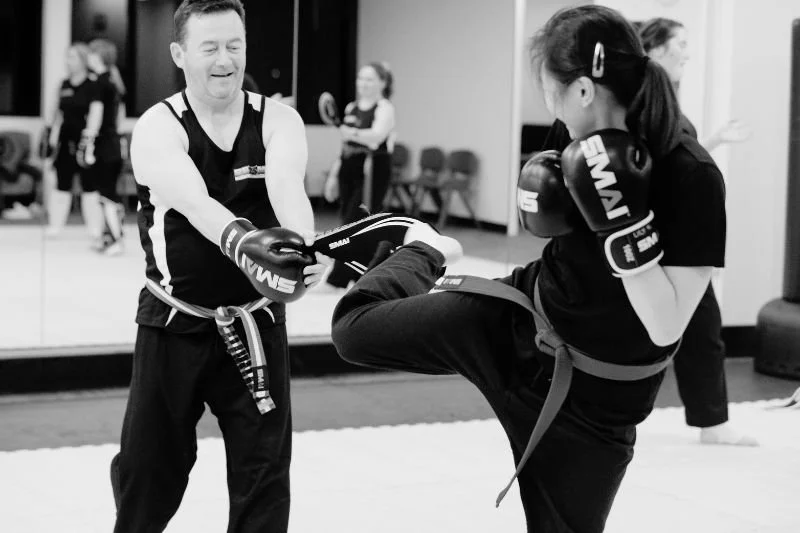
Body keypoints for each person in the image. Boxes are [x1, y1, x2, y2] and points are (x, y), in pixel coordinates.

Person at [331, 5, 726, 532]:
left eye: (550, 91)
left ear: (583, 90)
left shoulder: (692, 175)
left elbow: (667, 325)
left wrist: (620, 221)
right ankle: (426, 246)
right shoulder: (571, 140)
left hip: (594, 401)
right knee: (353, 330)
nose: (553, 110)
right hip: (519, 323)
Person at [108, 1, 326, 531]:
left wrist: (303, 245)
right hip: (173, 325)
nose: (224, 60)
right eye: (210, 48)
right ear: (180, 53)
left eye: (235, 45)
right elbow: (198, 205)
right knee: (148, 472)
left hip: (256, 323)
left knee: (264, 476)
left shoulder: (278, 119)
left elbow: (287, 185)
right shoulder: (159, 127)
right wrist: (248, 243)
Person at [636, 17, 757, 446]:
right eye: (681, 44)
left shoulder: (661, 100)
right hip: (653, 238)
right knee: (694, 326)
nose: (687, 52)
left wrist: (716, 140)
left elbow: (673, 156)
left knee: (702, 327)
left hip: (671, 235)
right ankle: (711, 422)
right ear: (658, 49)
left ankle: (712, 422)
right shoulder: (638, 97)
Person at [322, 61, 396, 290]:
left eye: (370, 79)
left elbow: (376, 136)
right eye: (361, 78)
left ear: (382, 83)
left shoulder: (385, 108)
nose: (363, 83)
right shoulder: (351, 108)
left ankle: (338, 279)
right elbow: (343, 147)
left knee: (353, 224)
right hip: (348, 168)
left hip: (372, 170)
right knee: (352, 222)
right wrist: (334, 176)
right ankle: (365, 277)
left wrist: (351, 132)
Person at [43, 43, 104, 241]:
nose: (68, 61)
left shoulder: (92, 85)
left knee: (90, 185)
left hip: (85, 142)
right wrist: (50, 133)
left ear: (83, 61)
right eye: (67, 56)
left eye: (72, 57)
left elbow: (96, 113)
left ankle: (95, 229)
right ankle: (55, 226)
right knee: (62, 183)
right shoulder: (64, 85)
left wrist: (89, 138)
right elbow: (53, 113)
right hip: (64, 141)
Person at [86, 38, 127, 255]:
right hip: (115, 144)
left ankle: (116, 240)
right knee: (108, 193)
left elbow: (96, 115)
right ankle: (108, 237)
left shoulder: (99, 83)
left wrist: (88, 142)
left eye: (91, 53)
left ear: (98, 57)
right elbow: (119, 119)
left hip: (103, 145)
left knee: (106, 195)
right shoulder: (113, 83)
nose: (88, 58)